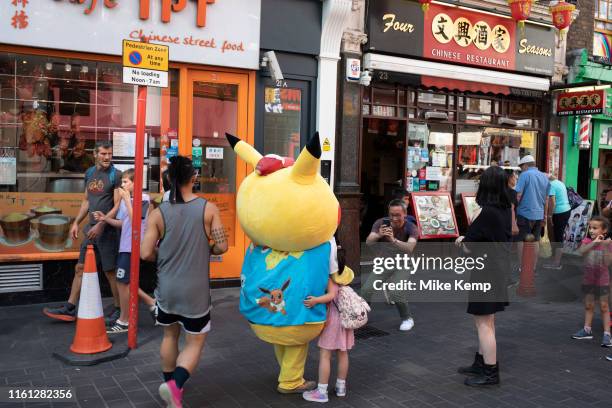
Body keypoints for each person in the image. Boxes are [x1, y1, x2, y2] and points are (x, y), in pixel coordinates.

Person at [141, 155, 228, 408]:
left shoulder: (159, 213)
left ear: (169, 180)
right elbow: (222, 246)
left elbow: (146, 253)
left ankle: (173, 398)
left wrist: (165, 252)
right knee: (195, 341)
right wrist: (206, 249)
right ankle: (174, 385)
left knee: (169, 336)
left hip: (167, 288)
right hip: (196, 291)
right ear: (194, 178)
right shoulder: (208, 208)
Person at [43, 141, 122, 323]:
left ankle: (118, 310)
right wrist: (76, 222)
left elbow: (117, 205)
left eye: (109, 153)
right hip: (90, 230)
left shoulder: (115, 175)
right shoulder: (89, 174)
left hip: (107, 231)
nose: (107, 157)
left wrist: (102, 223)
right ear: (95, 154)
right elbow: (86, 201)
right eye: (103, 153)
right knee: (79, 268)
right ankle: (70, 308)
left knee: (110, 272)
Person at [455, 166, 512, 387]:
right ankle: (480, 363)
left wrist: (461, 242)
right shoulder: (505, 208)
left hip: (486, 272)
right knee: (488, 320)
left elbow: (469, 246)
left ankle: (490, 373)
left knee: (484, 324)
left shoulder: (487, 212)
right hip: (496, 269)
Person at [92, 168, 156, 333]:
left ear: (136, 183)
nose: (123, 185)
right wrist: (106, 219)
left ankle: (125, 320)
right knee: (125, 282)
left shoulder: (143, 198)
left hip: (133, 246)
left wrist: (127, 200)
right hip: (125, 245)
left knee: (123, 281)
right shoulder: (130, 199)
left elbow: (136, 221)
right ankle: (152, 304)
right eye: (122, 182)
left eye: (126, 182)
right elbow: (124, 223)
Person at [302, 239, 354, 403]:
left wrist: (315, 300)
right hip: (345, 318)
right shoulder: (344, 273)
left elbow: (331, 295)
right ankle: (340, 387)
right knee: (343, 353)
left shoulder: (330, 275)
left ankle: (322, 391)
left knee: (325, 354)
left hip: (333, 319)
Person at [363, 199, 418, 331]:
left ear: (405, 214)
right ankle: (362, 316)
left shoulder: (411, 227)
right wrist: (378, 235)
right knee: (366, 290)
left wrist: (393, 240)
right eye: (391, 214)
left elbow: (410, 248)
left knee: (396, 292)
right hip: (385, 262)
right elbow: (368, 242)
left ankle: (407, 318)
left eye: (398, 215)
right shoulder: (381, 223)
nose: (394, 218)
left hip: (404, 263)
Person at [571, 216, 611, 348]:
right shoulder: (587, 240)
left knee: (604, 306)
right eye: (590, 228)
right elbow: (581, 252)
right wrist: (594, 243)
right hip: (588, 280)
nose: (592, 231)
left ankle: (607, 334)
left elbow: (608, 262)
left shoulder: (608, 244)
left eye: (595, 228)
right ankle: (587, 330)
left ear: (604, 231)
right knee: (589, 306)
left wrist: (604, 245)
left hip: (602, 280)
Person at [515, 155, 550, 268]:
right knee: (535, 241)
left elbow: (518, 195)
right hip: (539, 214)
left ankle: (522, 266)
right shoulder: (545, 176)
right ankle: (533, 267)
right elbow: (546, 199)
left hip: (524, 213)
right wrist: (545, 216)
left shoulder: (524, 175)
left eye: (521, 167)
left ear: (525, 165)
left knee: (521, 240)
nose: (521, 169)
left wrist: (513, 209)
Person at [543, 175, 571, 269]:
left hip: (559, 212)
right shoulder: (560, 182)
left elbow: (552, 202)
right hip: (566, 210)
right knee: (558, 235)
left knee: (558, 236)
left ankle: (556, 263)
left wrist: (549, 216)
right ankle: (555, 258)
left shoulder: (551, 185)